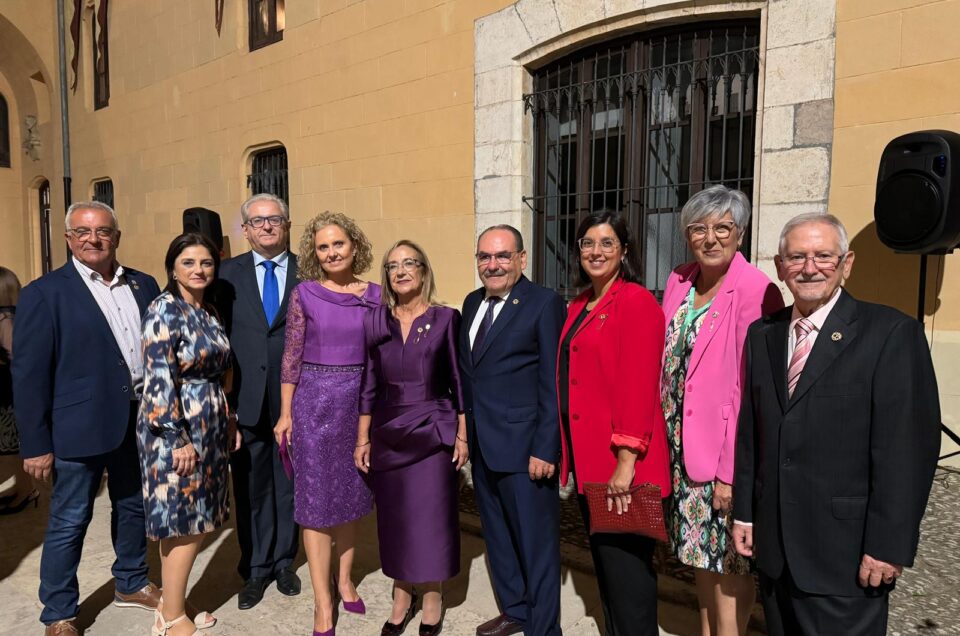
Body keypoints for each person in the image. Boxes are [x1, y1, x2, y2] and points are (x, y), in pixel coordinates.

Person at [732, 213, 941, 636]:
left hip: (845, 556)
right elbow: (752, 433)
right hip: (777, 552)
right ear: (779, 266)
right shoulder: (763, 335)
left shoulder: (891, 334)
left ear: (847, 263)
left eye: (823, 256)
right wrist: (745, 515)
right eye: (797, 257)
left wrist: (887, 546)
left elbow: (906, 453)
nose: (809, 268)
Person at [12, 201, 162, 636]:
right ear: (67, 239)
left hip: (136, 420)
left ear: (117, 236)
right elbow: (28, 375)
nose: (92, 239)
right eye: (81, 232)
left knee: (133, 506)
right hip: (77, 426)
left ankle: (131, 581)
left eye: (102, 232)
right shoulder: (45, 293)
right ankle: (59, 610)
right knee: (70, 518)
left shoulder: (143, 284)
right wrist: (36, 443)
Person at [659, 186, 784, 636]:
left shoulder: (755, 290)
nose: (710, 238)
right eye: (698, 229)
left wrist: (731, 471)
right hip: (680, 446)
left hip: (721, 453)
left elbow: (752, 389)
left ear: (741, 233)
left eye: (722, 228)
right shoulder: (680, 279)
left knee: (730, 560)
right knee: (698, 552)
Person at [557, 211, 670, 636]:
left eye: (607, 243)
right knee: (607, 569)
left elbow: (638, 386)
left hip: (622, 464)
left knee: (629, 577)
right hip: (591, 464)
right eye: (588, 243)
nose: (596, 251)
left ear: (624, 251)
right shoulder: (581, 303)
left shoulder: (636, 302)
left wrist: (625, 460)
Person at [355, 240, 468, 636]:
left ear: (423, 270)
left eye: (409, 263)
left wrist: (463, 436)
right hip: (388, 432)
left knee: (432, 517)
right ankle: (402, 592)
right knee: (396, 518)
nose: (401, 271)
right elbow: (368, 384)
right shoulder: (375, 321)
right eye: (392, 266)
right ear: (386, 275)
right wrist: (362, 438)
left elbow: (458, 381)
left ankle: (434, 594)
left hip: (434, 430)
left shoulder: (445, 318)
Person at [458, 225, 566, 636]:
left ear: (522, 259)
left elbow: (552, 382)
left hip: (526, 450)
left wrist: (546, 446)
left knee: (536, 546)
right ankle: (517, 610)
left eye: (502, 256)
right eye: (484, 256)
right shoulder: (471, 303)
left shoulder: (543, 304)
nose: (493, 264)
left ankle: (543, 628)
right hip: (485, 446)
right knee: (499, 537)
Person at [274, 212, 378, 636]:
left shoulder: (376, 294)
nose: (332, 252)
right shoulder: (305, 294)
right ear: (313, 254)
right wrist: (285, 414)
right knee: (315, 506)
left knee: (352, 496)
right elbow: (291, 356)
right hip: (313, 403)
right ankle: (323, 603)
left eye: (339, 244)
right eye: (323, 247)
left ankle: (345, 578)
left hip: (359, 404)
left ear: (354, 246)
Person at [138, 233, 240, 636]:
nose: (199, 270)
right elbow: (159, 378)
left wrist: (227, 419)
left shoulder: (208, 309)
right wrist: (176, 437)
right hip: (176, 427)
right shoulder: (163, 309)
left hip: (210, 421)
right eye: (189, 263)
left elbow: (221, 372)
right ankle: (170, 616)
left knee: (193, 518)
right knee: (185, 521)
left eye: (206, 263)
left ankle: (172, 599)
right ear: (173, 268)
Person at [219, 193, 301, 609]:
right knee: (250, 487)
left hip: (295, 402)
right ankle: (254, 567)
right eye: (257, 221)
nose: (266, 226)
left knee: (288, 485)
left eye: (274, 219)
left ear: (287, 224)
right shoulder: (223, 275)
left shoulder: (311, 271)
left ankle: (285, 560)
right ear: (245, 229)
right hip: (245, 400)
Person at [0, 266, 38, 515]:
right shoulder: (17, 314)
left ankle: (26, 491)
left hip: (9, 388)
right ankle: (25, 489)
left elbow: (16, 354)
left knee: (13, 446)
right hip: (11, 387)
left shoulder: (5, 318)